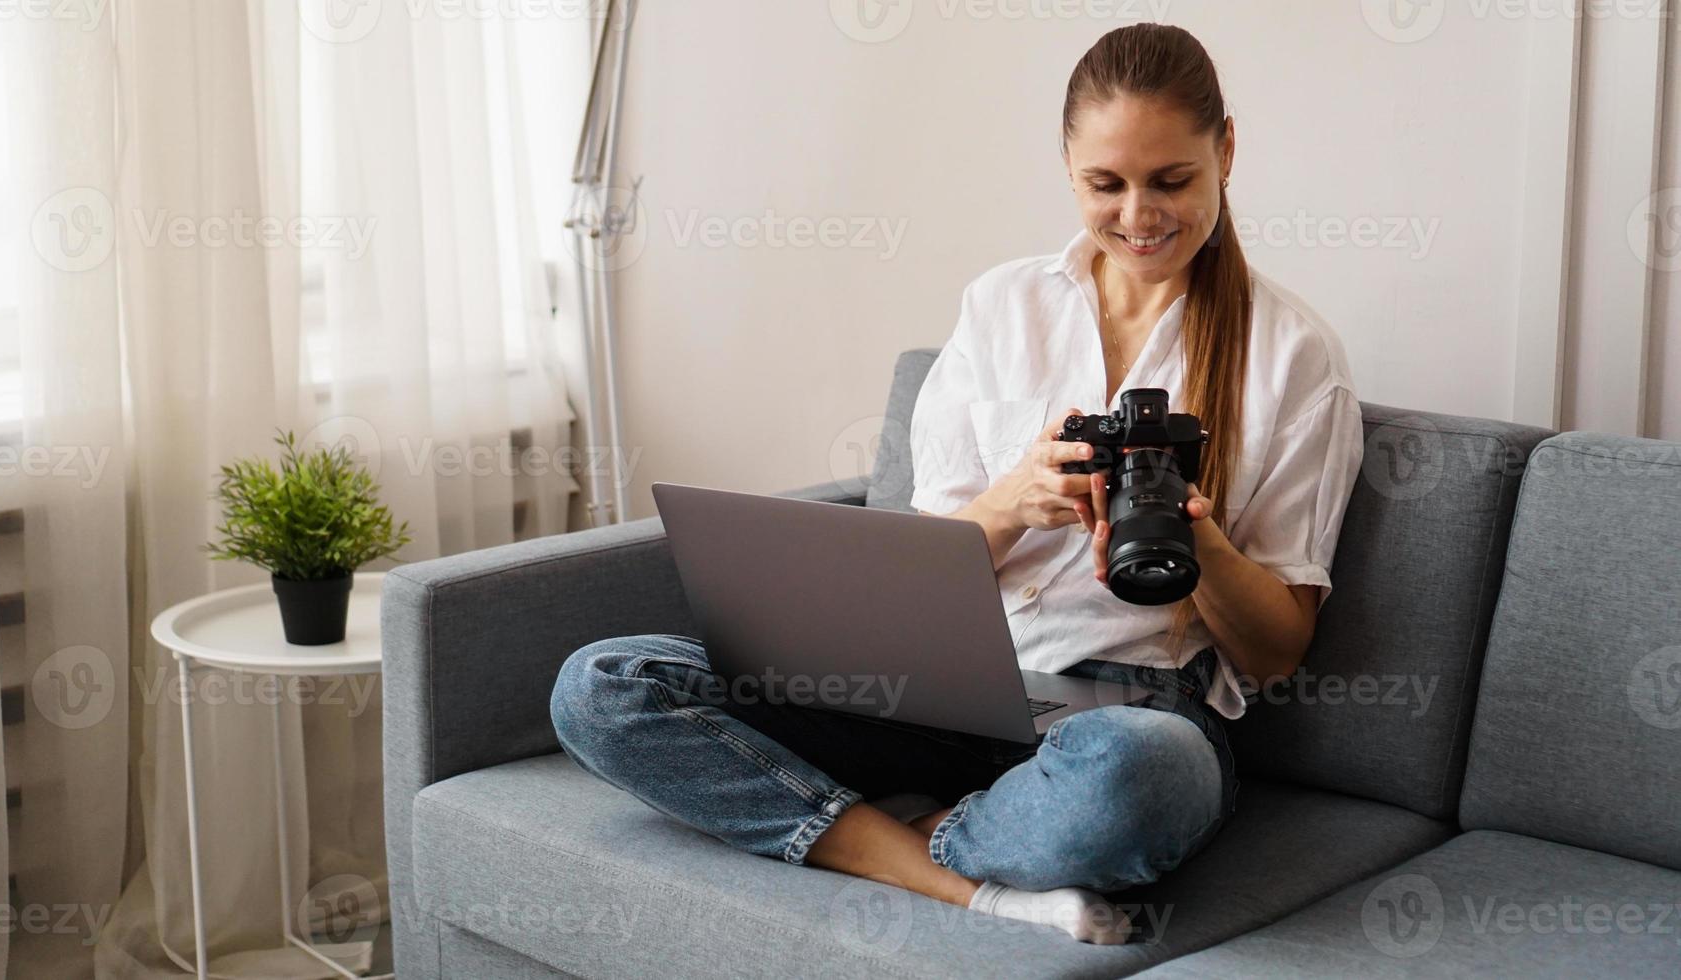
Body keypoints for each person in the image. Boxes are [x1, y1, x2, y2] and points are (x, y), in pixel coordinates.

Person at [550, 23, 1365, 944]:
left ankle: (885, 830)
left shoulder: (1295, 359)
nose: (1139, 215)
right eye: (1106, 183)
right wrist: (1012, 502)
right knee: (605, 683)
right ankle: (959, 876)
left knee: (1145, 777)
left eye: (1170, 179)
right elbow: (918, 572)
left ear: (1225, 148)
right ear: (1066, 166)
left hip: (1132, 714)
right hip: (945, 685)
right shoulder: (1002, 306)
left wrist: (1193, 533)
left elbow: (1276, 653)